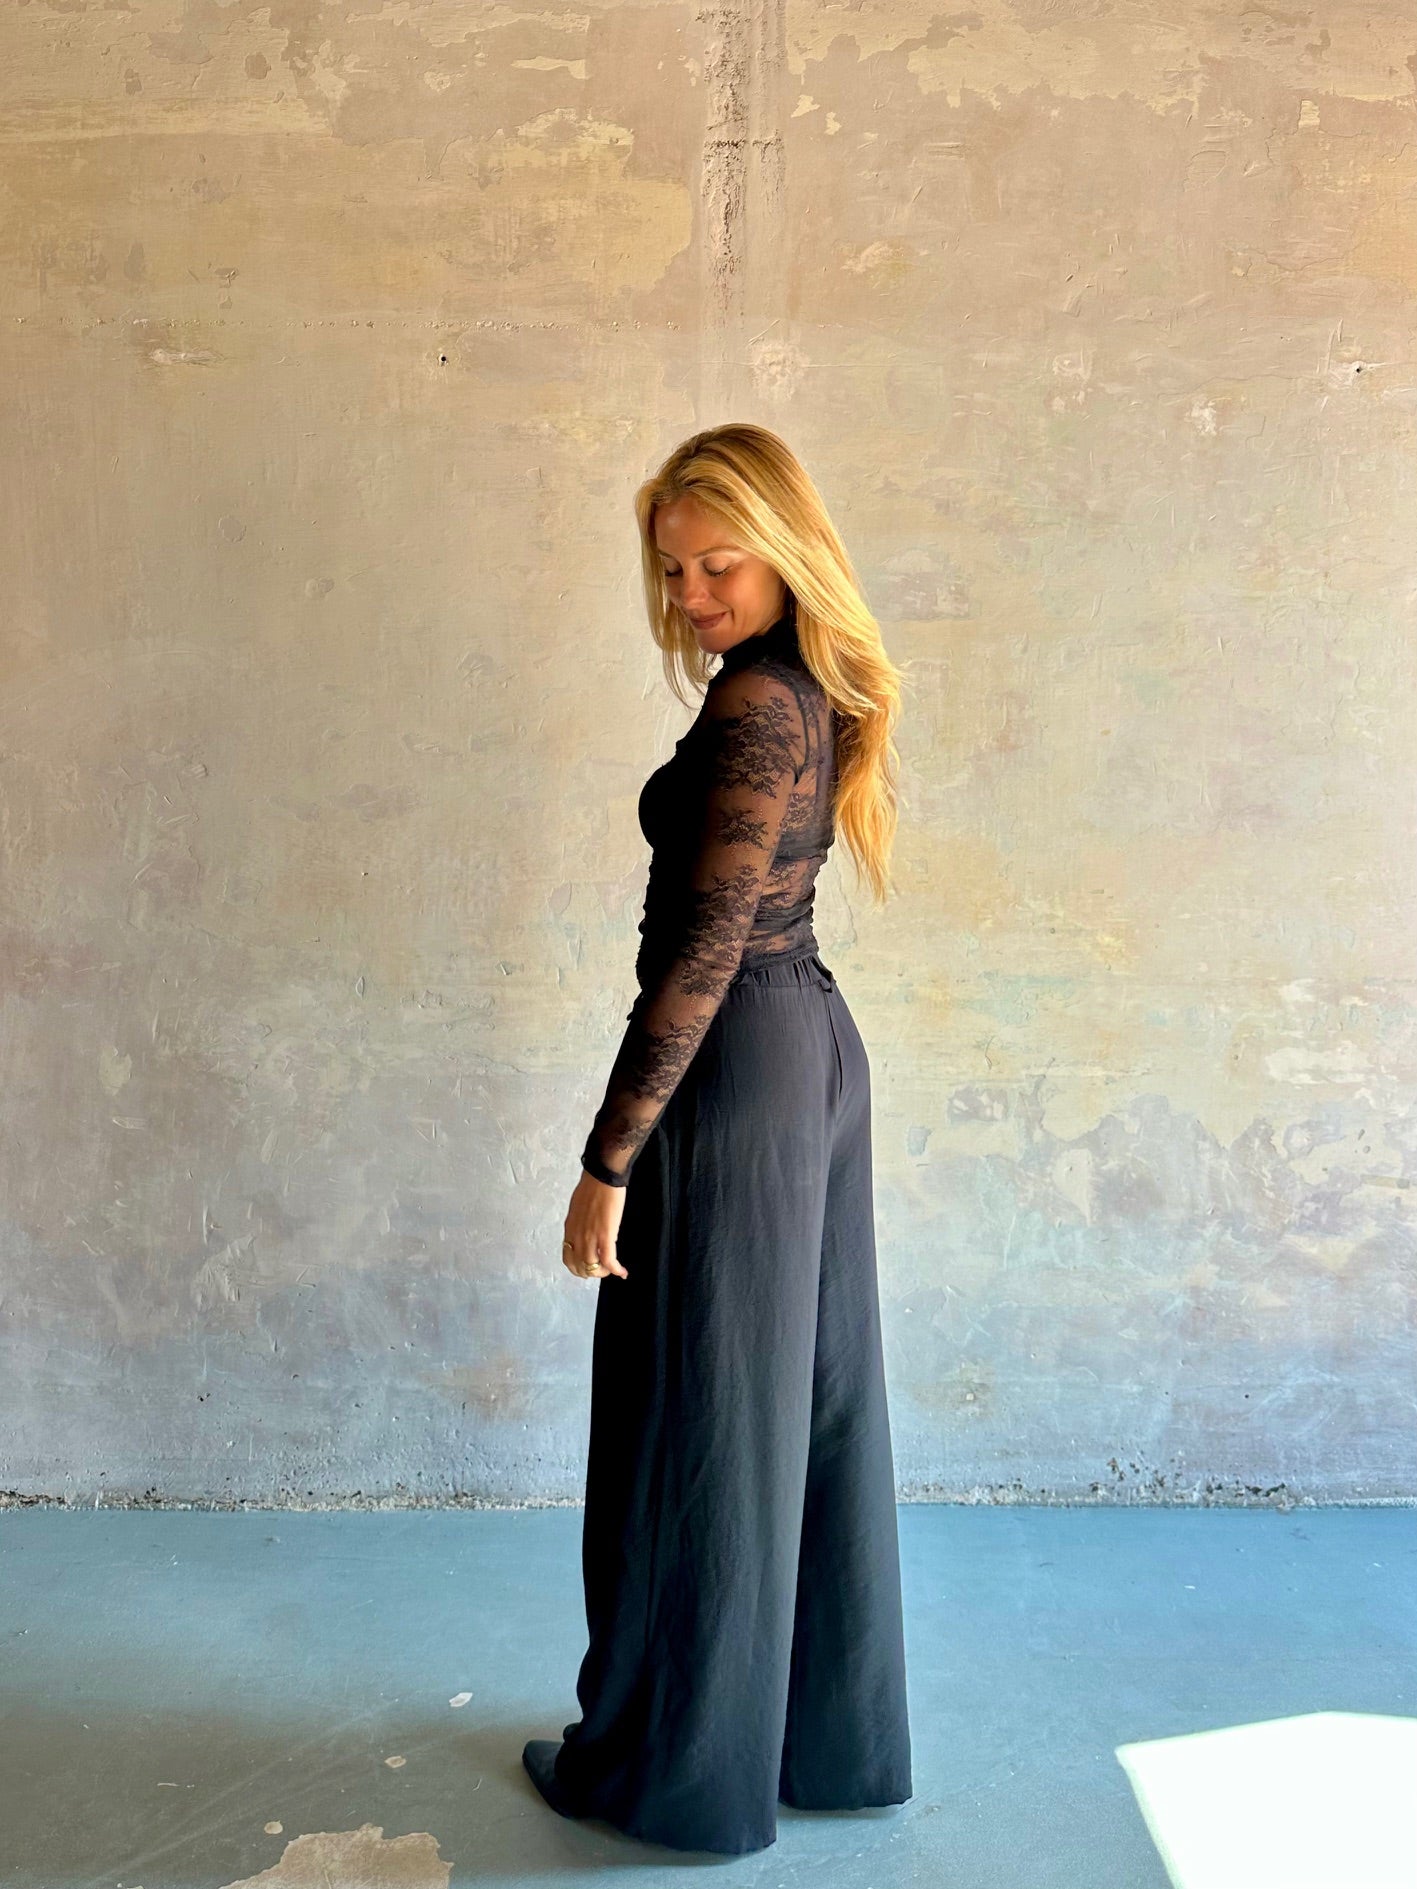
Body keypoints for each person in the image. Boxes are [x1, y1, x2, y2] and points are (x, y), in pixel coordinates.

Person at [523, 422, 912, 1855]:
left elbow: (699, 952)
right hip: (801, 1053)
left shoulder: (758, 699)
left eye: (718, 565)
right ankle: (821, 1747)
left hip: (738, 1066)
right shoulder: (805, 687)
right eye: (672, 570)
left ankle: (683, 1775)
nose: (691, 596)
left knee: (701, 1418)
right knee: (796, 1405)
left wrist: (606, 1159)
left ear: (786, 552)